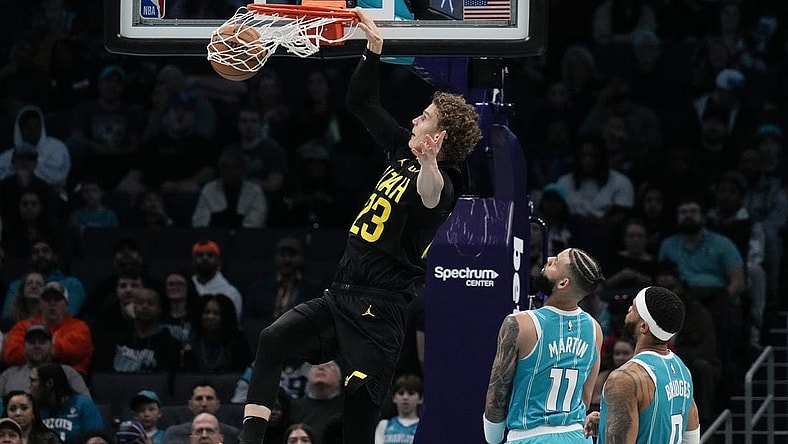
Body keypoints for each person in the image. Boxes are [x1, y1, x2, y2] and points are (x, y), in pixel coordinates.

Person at [239, 8, 482, 444]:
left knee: (356, 430)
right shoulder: (401, 151)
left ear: (440, 138)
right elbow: (361, 103)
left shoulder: (448, 179)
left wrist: (430, 163)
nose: (413, 119)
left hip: (380, 313)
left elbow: (433, 195)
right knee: (273, 339)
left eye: (423, 116)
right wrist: (373, 52)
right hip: (341, 295)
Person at [482, 247, 605, 444]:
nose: (548, 259)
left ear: (563, 283)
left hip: (529, 436)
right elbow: (585, 396)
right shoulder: (594, 329)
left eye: (555, 262)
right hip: (576, 436)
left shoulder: (519, 323)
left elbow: (497, 393)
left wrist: (493, 438)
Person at [584, 286, 701, 444]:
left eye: (634, 307)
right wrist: (609, 422)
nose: (629, 308)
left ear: (644, 327)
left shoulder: (624, 379)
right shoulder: (683, 371)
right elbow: (691, 438)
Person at [3, 282, 93, 375]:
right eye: (47, 299)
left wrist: (32, 348)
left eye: (57, 299)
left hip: (66, 379)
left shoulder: (79, 327)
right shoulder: (23, 326)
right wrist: (52, 348)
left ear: (66, 305)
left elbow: (72, 352)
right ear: (41, 304)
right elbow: (11, 355)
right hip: (26, 377)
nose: (52, 303)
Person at [0, 324, 89, 397]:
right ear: (24, 348)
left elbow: (87, 406)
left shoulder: (68, 373)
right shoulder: (8, 375)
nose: (37, 346)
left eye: (42, 342)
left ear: (52, 348)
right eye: (32, 342)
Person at [31, 363, 103, 444]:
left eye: (33, 381)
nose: (29, 385)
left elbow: (96, 439)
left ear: (49, 383)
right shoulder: (34, 408)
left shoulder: (83, 404)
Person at [162, 383, 238, 444]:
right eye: (199, 398)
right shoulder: (174, 433)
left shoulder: (232, 433)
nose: (204, 404)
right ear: (190, 404)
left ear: (217, 404)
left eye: (209, 398)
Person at [374, 374, 422, 444]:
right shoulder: (384, 425)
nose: (405, 397)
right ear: (394, 397)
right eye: (401, 393)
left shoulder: (423, 428)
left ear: (420, 399)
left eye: (411, 393)